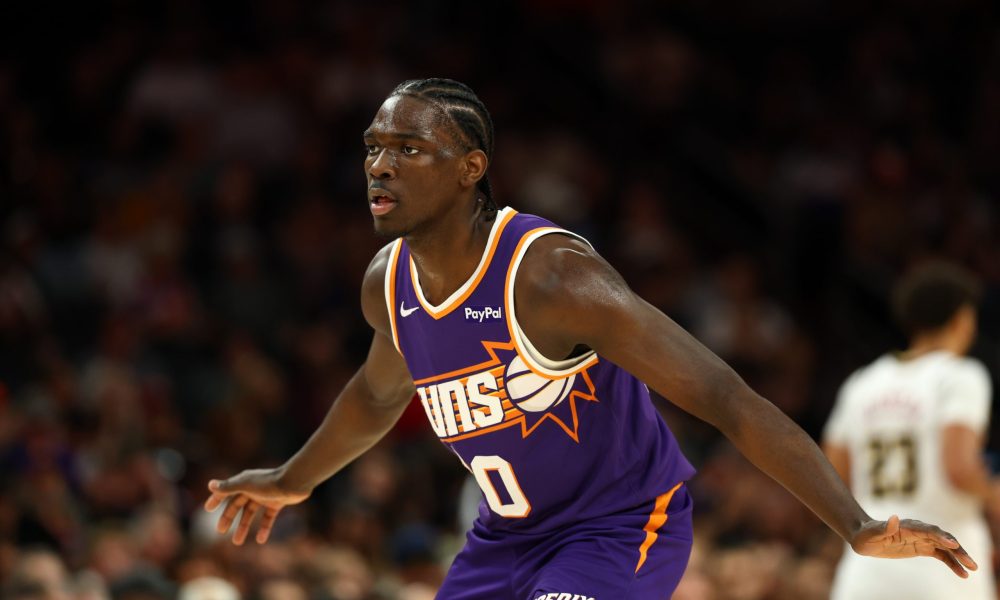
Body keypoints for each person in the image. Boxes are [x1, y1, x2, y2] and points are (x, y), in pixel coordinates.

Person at [205, 78, 977, 599]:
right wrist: (293, 479)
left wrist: (855, 524)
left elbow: (724, 397)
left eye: (409, 149)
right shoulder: (388, 282)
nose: (380, 165)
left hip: (620, 526)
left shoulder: (550, 277)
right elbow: (377, 394)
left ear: (471, 168)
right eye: (374, 147)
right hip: (505, 539)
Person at [823, 262, 998, 600]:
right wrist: (992, 493)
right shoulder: (961, 375)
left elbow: (833, 476)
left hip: (867, 569)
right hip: (944, 569)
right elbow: (960, 469)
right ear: (962, 319)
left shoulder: (862, 382)